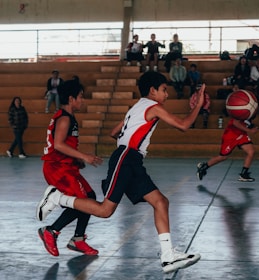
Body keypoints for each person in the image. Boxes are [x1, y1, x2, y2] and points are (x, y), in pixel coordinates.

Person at [36, 71, 204, 274]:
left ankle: (168, 257)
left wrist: (129, 139)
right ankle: (57, 198)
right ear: (152, 91)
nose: (166, 95)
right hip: (126, 158)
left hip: (131, 159)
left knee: (161, 202)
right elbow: (184, 125)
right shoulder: (153, 107)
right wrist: (198, 105)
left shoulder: (136, 107)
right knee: (105, 211)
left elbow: (113, 132)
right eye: (164, 90)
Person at [37, 79, 103, 257]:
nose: (83, 100)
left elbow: (64, 144)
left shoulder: (67, 117)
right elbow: (58, 144)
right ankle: (51, 231)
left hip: (66, 166)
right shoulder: (65, 118)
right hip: (57, 168)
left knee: (90, 197)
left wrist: (76, 158)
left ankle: (78, 239)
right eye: (81, 97)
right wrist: (84, 156)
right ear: (71, 98)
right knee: (83, 203)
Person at [196, 117, 258, 182]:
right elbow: (235, 122)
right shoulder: (240, 110)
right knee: (223, 157)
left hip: (242, 134)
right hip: (231, 135)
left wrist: (252, 126)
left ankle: (243, 174)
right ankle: (203, 167)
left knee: (251, 151)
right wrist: (250, 130)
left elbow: (247, 121)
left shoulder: (253, 111)